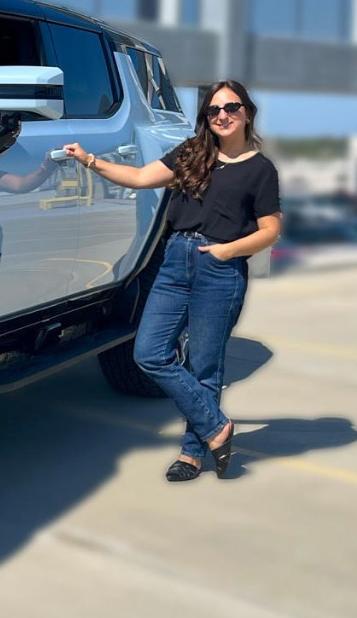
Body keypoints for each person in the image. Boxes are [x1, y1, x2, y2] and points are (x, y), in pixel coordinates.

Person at [62, 80, 281, 481]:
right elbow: (140, 177)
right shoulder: (191, 154)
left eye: (231, 108)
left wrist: (227, 251)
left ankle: (192, 455)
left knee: (204, 365)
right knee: (148, 352)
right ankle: (216, 425)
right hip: (175, 261)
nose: (222, 116)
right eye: (213, 111)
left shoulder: (260, 170)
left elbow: (269, 230)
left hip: (220, 268)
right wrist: (90, 160)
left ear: (247, 112)